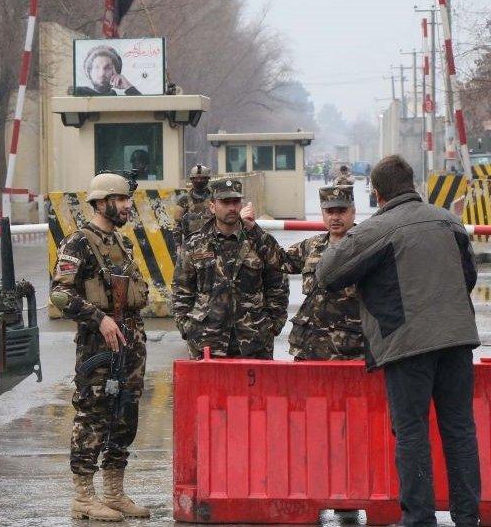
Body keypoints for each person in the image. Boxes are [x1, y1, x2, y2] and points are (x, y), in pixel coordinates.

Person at [316, 155, 481, 527]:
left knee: (411, 432)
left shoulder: (379, 228)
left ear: (376, 194)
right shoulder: (449, 221)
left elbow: (329, 273)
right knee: (459, 429)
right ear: (413, 184)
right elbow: (467, 276)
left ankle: (419, 518)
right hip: (456, 339)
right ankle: (467, 518)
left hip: (407, 346)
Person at [50, 173, 151, 521]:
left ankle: (113, 492)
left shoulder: (121, 242)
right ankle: (83, 497)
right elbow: (61, 294)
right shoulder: (77, 243)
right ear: (100, 202)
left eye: (127, 200)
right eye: (121, 200)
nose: (126, 206)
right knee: (92, 417)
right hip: (99, 345)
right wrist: (99, 318)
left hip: (130, 343)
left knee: (125, 416)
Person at [243, 186, 365, 361]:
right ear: (323, 214)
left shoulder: (366, 247)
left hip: (349, 352)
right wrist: (252, 228)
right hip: (309, 349)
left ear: (353, 212)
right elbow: (280, 259)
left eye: (342, 211)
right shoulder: (312, 246)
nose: (335, 217)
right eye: (330, 211)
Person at [171, 179, 288, 360]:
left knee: (255, 389)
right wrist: (187, 327)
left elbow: (277, 284)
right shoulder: (195, 244)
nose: (232, 208)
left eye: (236, 202)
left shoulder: (260, 241)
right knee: (209, 389)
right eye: (225, 202)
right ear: (212, 206)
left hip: (254, 338)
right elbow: (182, 289)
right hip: (207, 339)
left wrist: (273, 326)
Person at [171, 164, 213, 250]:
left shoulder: (215, 198)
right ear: (192, 180)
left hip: (212, 243)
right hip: (190, 244)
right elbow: (177, 224)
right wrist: (178, 246)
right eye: (196, 178)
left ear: (207, 179)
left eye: (202, 178)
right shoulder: (184, 200)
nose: (199, 181)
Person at [74, 45, 141, 96]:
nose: (102, 74)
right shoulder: (79, 92)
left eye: (108, 68)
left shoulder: (117, 98)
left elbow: (145, 108)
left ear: (116, 72)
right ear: (89, 72)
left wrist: (128, 86)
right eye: (97, 67)